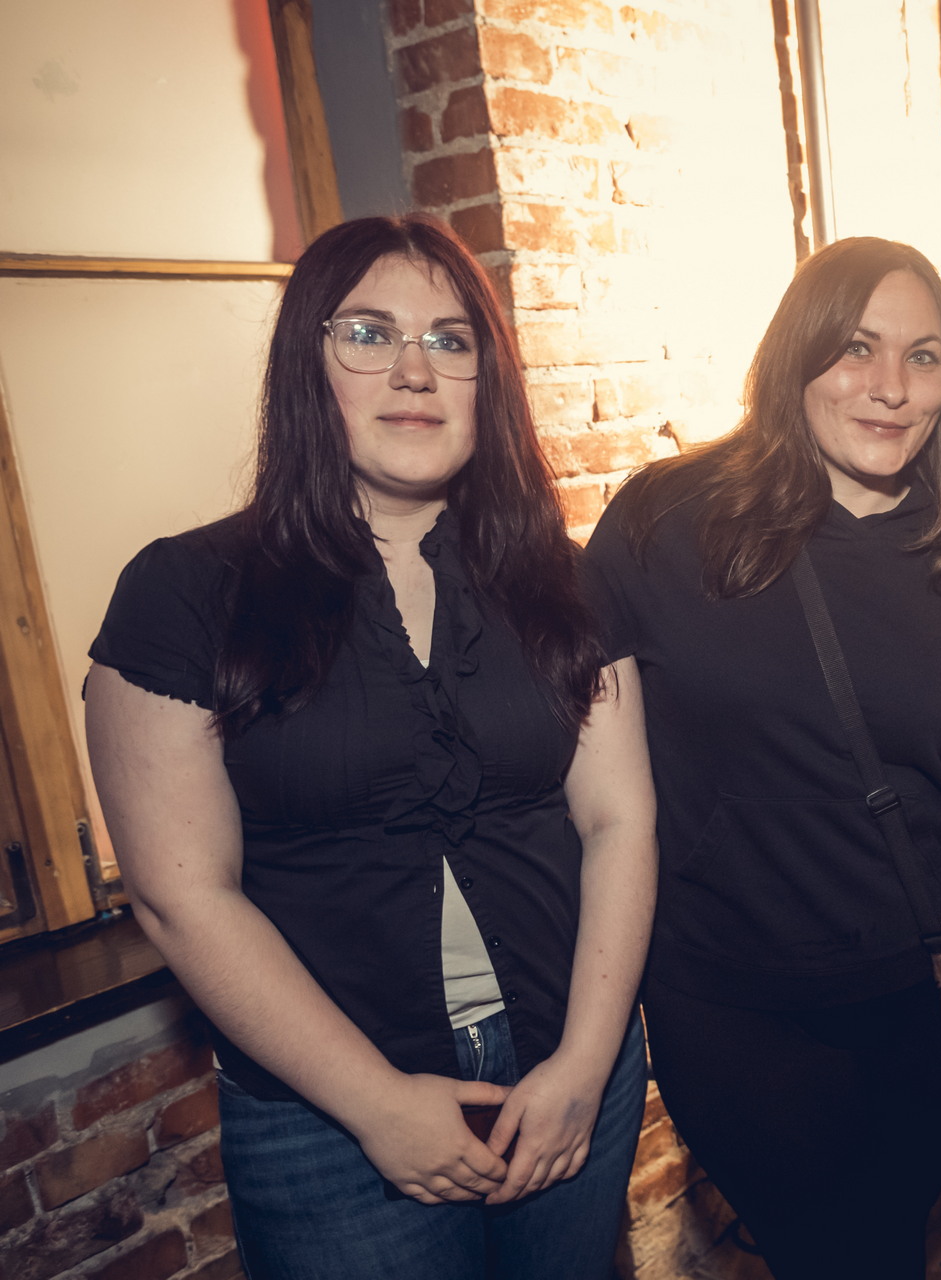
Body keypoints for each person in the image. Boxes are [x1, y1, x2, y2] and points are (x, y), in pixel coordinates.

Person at [85, 215, 655, 1280]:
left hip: (569, 1072)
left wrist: (588, 1061)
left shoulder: (563, 578)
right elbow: (180, 895)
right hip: (327, 1115)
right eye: (368, 333)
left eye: (450, 340)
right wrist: (374, 1102)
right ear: (307, 363)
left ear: (488, 378)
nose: (413, 370)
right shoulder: (185, 592)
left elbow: (618, 818)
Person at [584, 236, 941, 1279]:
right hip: (737, 1008)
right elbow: (583, 773)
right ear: (795, 355)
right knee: (827, 1251)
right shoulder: (665, 523)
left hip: (917, 997)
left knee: (889, 1238)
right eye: (856, 347)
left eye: (922, 356)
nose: (891, 387)